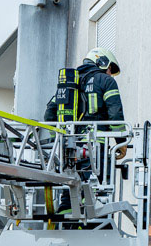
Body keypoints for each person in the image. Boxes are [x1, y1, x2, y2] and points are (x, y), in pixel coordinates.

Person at [44, 48, 127, 213]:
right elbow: (115, 115)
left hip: (69, 147)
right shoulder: (105, 81)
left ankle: (67, 217)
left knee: (70, 184)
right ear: (102, 62)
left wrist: (57, 140)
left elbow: (49, 115)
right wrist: (122, 142)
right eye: (110, 69)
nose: (110, 73)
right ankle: (95, 220)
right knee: (96, 186)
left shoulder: (68, 84)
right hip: (96, 146)